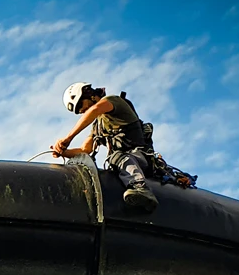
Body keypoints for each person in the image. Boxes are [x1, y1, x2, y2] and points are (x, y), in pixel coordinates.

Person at [51, 82, 159, 213]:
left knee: (116, 157)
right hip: (123, 163)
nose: (81, 111)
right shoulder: (98, 126)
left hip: (138, 157)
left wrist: (68, 137)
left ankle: (140, 188)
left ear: (89, 94)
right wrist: (64, 152)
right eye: (78, 111)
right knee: (114, 160)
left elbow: (95, 110)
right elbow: (85, 150)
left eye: (80, 105)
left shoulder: (113, 101)